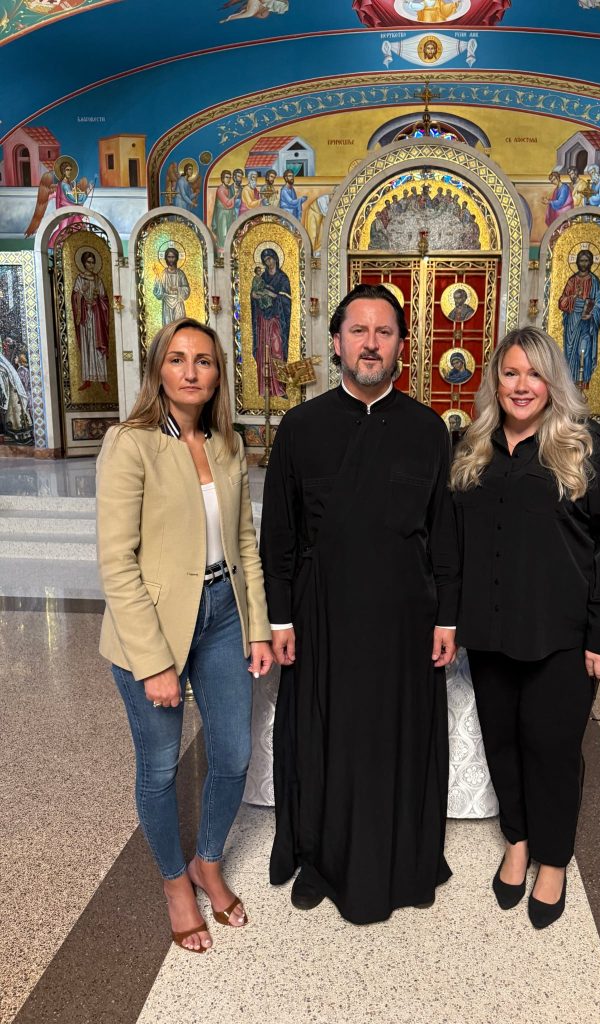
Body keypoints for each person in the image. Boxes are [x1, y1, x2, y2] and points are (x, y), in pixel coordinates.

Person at [260, 283, 460, 924]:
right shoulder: (301, 428)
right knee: (326, 736)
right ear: (337, 342)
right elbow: (279, 535)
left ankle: (403, 860)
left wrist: (447, 617)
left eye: (384, 332)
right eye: (358, 331)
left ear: (402, 345)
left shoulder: (428, 430)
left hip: (405, 619)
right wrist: (280, 617)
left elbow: (445, 532)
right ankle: (321, 858)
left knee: (396, 738)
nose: (370, 344)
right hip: (324, 615)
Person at [96, 318, 273, 953]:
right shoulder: (131, 443)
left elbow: (244, 542)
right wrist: (153, 663)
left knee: (233, 754)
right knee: (160, 764)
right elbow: (117, 562)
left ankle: (207, 861)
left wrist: (257, 626)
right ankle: (175, 882)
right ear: (158, 370)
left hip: (223, 612)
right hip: (155, 624)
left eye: (204, 360)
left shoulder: (226, 443)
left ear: (218, 373)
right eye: (177, 359)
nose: (191, 371)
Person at [451, 326, 600, 928]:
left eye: (534, 373)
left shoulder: (587, 448)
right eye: (510, 373)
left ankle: (552, 859)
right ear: (495, 381)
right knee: (502, 742)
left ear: (553, 381)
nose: (522, 385)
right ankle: (518, 842)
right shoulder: (473, 448)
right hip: (490, 631)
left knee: (551, 749)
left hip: (562, 636)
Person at [557, 248, 600, 391]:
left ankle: (582, 382)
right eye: (581, 261)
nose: (583, 263)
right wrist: (573, 298)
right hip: (573, 320)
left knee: (584, 350)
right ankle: (569, 382)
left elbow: (599, 302)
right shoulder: (572, 280)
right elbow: (561, 302)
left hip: (587, 322)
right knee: (571, 351)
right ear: (577, 262)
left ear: (590, 262)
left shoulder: (594, 281)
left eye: (586, 261)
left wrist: (592, 313)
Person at [250, 247, 291, 398]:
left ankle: (280, 388)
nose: (269, 262)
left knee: (277, 350)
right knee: (263, 351)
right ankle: (264, 389)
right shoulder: (261, 277)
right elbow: (255, 293)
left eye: (270, 259)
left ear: (275, 258)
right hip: (263, 320)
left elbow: (286, 300)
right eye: (266, 260)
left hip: (277, 319)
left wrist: (272, 294)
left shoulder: (282, 278)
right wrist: (254, 296)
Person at [71, 250, 110, 392]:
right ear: (83, 263)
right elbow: (74, 297)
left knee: (97, 346)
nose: (91, 265)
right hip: (84, 317)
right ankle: (87, 379)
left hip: (96, 317)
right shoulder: (79, 279)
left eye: (93, 262)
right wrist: (81, 292)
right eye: (88, 262)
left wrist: (98, 298)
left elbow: (105, 299)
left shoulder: (98, 279)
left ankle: (103, 380)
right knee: (87, 346)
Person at [153, 247, 191, 325]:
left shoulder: (180, 274)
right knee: (168, 326)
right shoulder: (163, 274)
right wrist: (157, 280)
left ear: (176, 258)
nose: (171, 259)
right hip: (167, 303)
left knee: (179, 324)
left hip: (178, 302)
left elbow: (187, 290)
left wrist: (177, 289)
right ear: (166, 258)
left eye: (173, 257)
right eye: (169, 257)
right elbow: (158, 292)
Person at [212, 171, 235, 251]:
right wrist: (235, 196)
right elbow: (227, 203)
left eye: (229, 177)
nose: (228, 179)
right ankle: (222, 253)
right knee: (223, 233)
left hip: (229, 214)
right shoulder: (220, 190)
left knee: (229, 232)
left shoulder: (229, 189)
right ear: (222, 179)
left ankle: (229, 250)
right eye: (226, 177)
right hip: (222, 214)